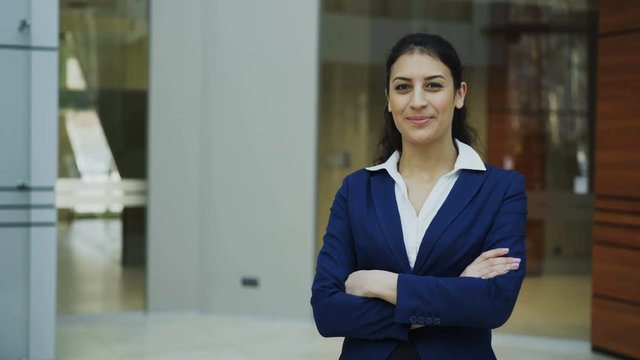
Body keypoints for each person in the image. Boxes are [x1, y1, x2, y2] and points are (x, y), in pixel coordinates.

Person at [310, 33, 527, 360]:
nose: (417, 101)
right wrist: (458, 290)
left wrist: (381, 284)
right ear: (389, 99)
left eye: (434, 85)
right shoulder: (356, 190)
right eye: (403, 87)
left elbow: (494, 304)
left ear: (459, 94)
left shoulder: (501, 191)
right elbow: (327, 312)